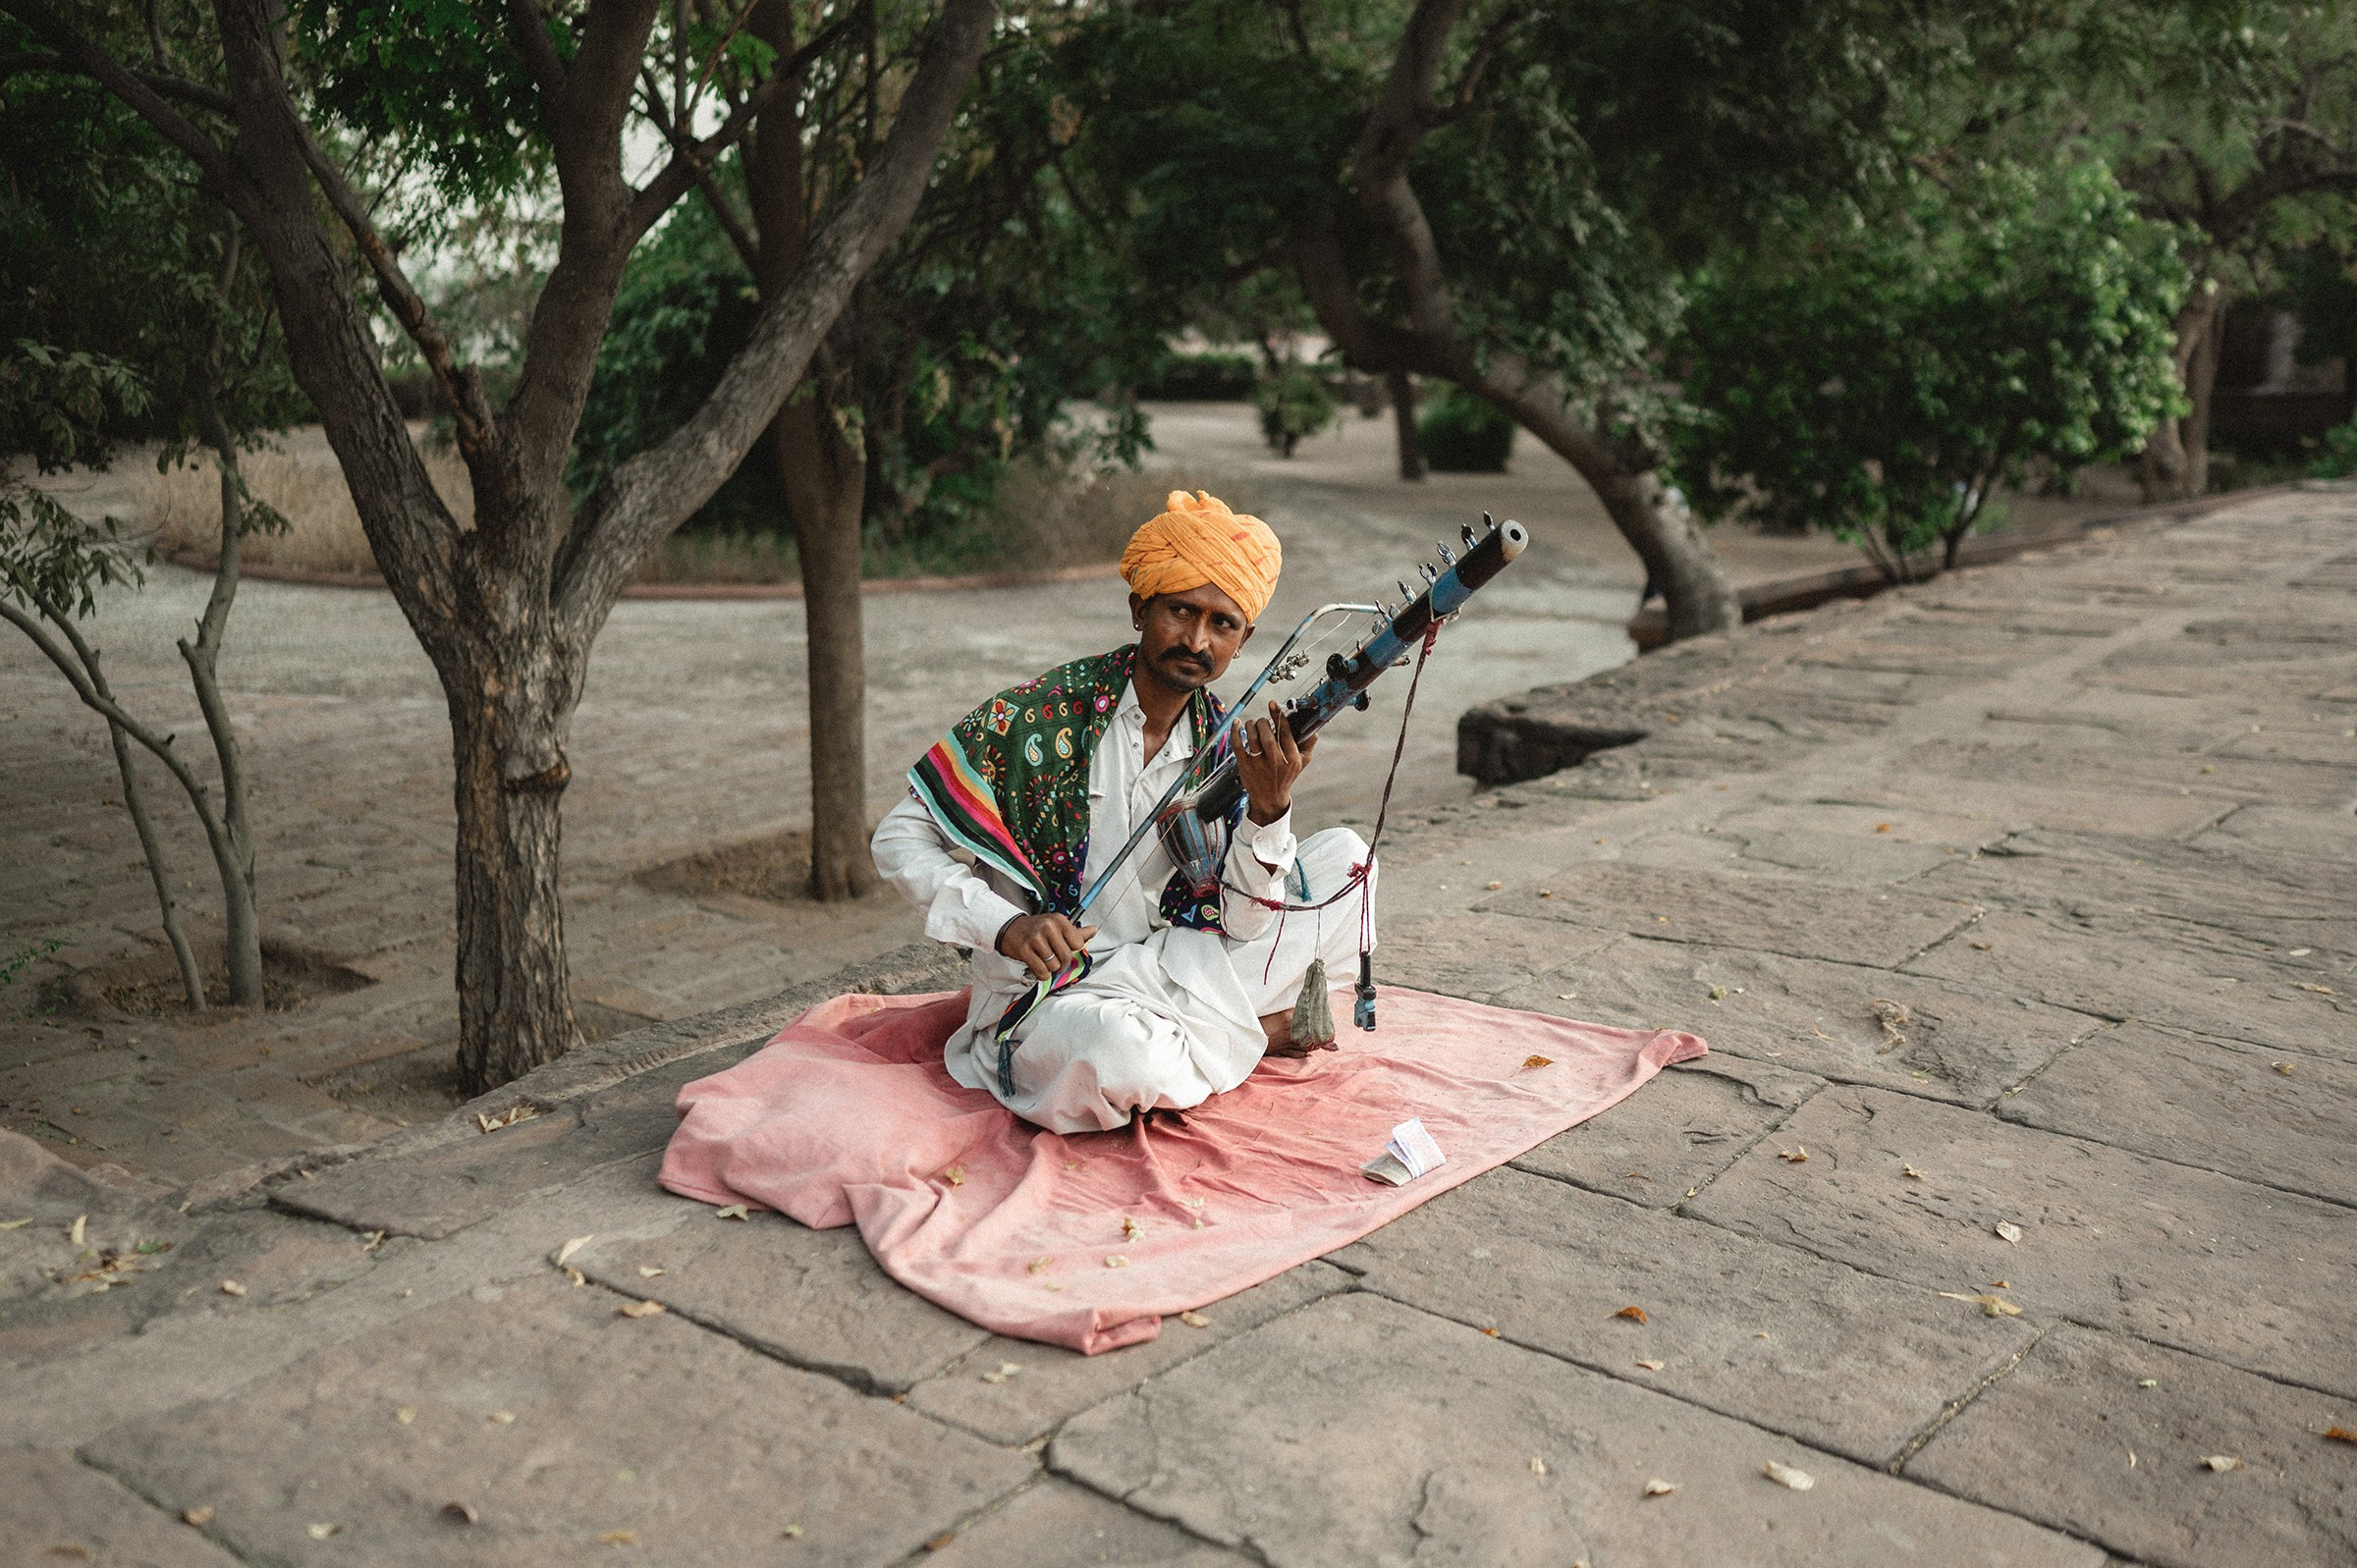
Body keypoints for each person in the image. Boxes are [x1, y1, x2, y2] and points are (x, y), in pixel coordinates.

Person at [872, 490, 1377, 1134]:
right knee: (1122, 1054)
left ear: (1243, 640)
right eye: (1180, 611)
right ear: (1141, 607)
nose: (1196, 639)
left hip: (1173, 966)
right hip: (1052, 997)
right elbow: (897, 837)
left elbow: (1246, 921)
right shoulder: (1038, 716)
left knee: (1349, 863)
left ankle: (1213, 1033)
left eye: (1221, 624)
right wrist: (1006, 926)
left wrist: (1270, 808)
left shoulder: (1222, 743)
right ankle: (1258, 1034)